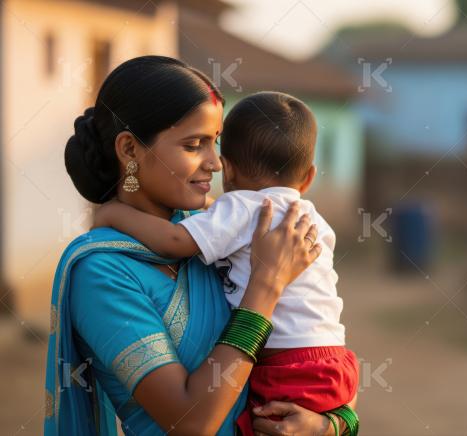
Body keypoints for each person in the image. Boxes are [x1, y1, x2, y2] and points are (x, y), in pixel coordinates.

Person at [45, 55, 353, 435]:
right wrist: (266, 285)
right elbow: (190, 421)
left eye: (216, 143)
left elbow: (320, 347)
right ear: (129, 151)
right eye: (194, 145)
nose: (217, 164)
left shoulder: (218, 232)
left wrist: (332, 425)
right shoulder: (103, 272)